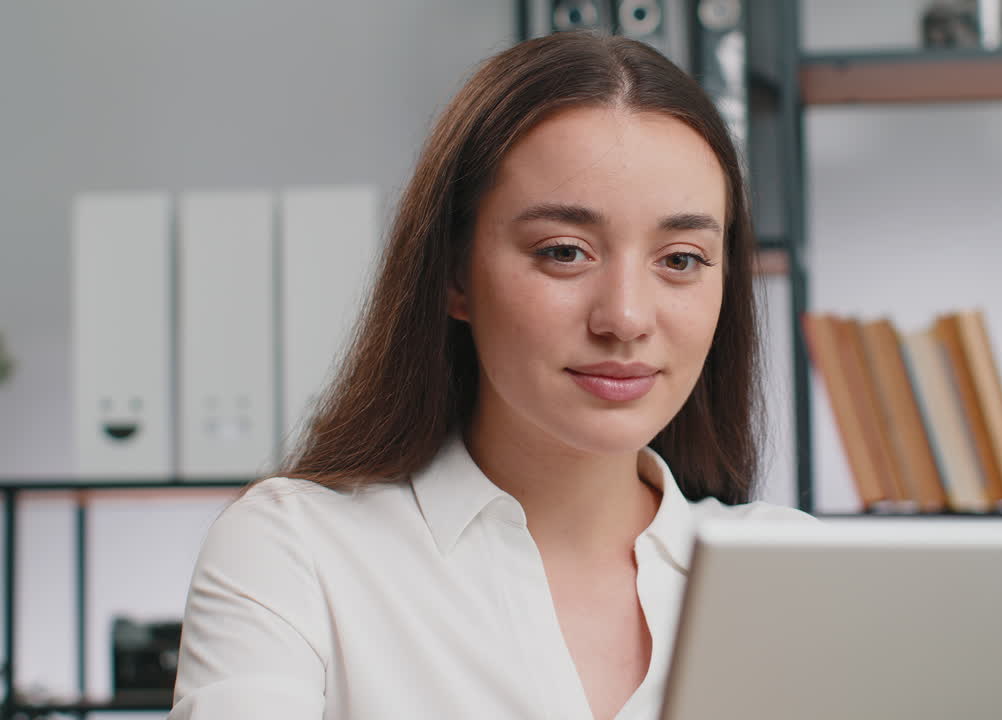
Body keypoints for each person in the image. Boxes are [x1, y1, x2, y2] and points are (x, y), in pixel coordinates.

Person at [168, 30, 811, 720]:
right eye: (564, 252)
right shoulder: (296, 551)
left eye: (680, 259)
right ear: (454, 273)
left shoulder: (801, 575)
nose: (625, 318)